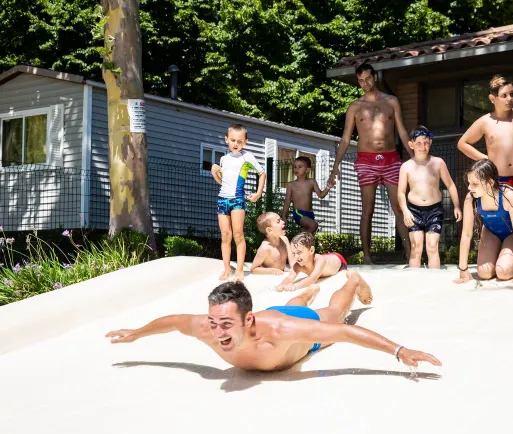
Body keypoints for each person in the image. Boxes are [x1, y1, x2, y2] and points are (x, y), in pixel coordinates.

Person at [106, 272, 442, 371]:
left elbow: (344, 332)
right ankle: (306, 291)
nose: (217, 331)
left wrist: (399, 350)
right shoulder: (209, 327)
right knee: (290, 303)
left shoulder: (282, 333)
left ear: (246, 318)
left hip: (293, 327)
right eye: (214, 322)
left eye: (226, 324)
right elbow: (174, 321)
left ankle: (351, 282)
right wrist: (136, 334)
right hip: (274, 315)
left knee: (334, 312)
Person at [457, 75, 513, 269]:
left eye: (511, 94)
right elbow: (462, 143)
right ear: (492, 98)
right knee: (503, 226)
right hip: (500, 182)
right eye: (504, 95)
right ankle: (504, 264)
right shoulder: (484, 122)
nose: (509, 99)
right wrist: (485, 158)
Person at [328, 63, 412, 264]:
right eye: (360, 80)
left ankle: (410, 253)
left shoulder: (392, 101)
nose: (364, 83)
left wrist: (415, 156)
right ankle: (367, 256)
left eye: (367, 78)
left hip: (391, 158)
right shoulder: (355, 106)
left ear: (375, 77)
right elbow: (346, 138)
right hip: (366, 160)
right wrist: (335, 166)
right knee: (368, 208)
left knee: (399, 206)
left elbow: (401, 130)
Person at [454, 160, 513, 286]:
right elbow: (466, 234)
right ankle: (500, 258)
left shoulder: (507, 196)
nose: (469, 187)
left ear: (490, 182)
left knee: (503, 272)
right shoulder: (471, 198)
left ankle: (511, 265)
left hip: (512, 234)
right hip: (491, 232)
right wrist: (463, 270)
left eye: (474, 184)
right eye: (469, 183)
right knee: (484, 273)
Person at [397, 126, 462, 269]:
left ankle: (434, 283)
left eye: (426, 142)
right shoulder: (406, 167)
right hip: (414, 211)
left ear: (431, 142)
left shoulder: (438, 163)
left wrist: (457, 206)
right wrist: (405, 210)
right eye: (419, 143)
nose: (423, 146)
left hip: (434, 210)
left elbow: (450, 185)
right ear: (411, 145)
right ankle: (415, 282)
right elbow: (401, 192)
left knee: (432, 247)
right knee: (416, 247)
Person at [211, 124, 266, 281]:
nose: (236, 144)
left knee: (238, 234)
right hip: (222, 199)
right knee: (225, 235)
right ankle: (227, 269)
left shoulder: (247, 157)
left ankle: (240, 270)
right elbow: (222, 183)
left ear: (245, 142)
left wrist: (258, 193)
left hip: (238, 200)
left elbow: (262, 173)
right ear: (227, 139)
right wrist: (215, 173)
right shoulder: (223, 159)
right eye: (233, 140)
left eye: (240, 141)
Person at [275, 232, 348, 292]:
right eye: (293, 253)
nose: (296, 257)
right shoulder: (298, 266)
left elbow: (312, 279)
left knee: (322, 257)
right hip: (322, 257)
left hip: (339, 261)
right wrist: (281, 285)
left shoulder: (320, 260)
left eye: (299, 252)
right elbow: (289, 278)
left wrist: (295, 286)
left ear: (311, 250)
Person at [282, 156, 334, 234]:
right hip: (298, 213)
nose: (296, 169)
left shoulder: (311, 182)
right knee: (313, 225)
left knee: (307, 236)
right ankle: (298, 240)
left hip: (310, 214)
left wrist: (328, 187)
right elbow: (287, 201)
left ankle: (299, 243)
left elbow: (321, 195)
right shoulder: (291, 184)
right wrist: (284, 216)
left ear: (307, 170)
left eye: (300, 167)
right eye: (295, 167)